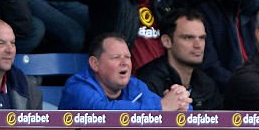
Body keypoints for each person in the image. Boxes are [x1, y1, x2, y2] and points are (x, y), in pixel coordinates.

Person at [59, 33, 192, 111]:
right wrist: (161, 106)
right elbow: (104, 114)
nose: (125, 63)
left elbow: (166, 106)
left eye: (128, 57)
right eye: (116, 57)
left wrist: (180, 104)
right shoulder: (77, 87)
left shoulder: (135, 86)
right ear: (95, 64)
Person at [137, 9, 224, 110]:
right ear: (167, 41)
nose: (198, 45)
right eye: (188, 38)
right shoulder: (148, 81)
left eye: (202, 38)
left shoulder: (207, 84)